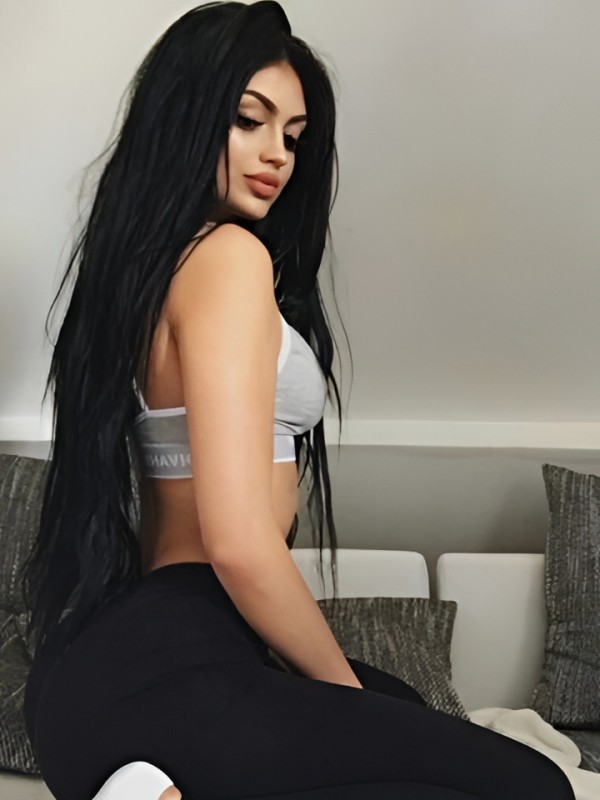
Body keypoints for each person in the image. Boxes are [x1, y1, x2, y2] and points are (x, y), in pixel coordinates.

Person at [21, 3, 576, 799]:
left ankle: (152, 783)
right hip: (173, 656)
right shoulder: (228, 258)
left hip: (103, 675)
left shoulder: (143, 270)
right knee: (534, 785)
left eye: (294, 134)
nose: (277, 154)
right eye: (249, 120)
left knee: (406, 707)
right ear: (184, 117)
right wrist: (346, 708)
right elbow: (240, 543)